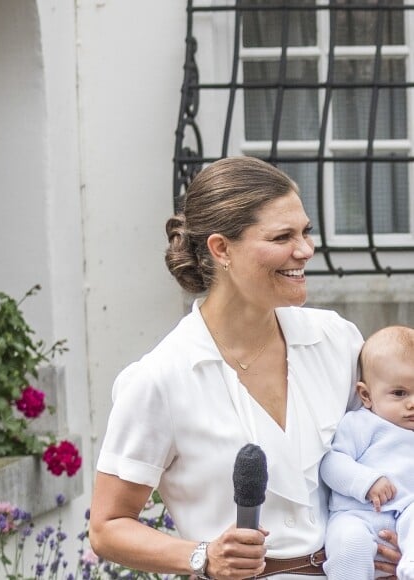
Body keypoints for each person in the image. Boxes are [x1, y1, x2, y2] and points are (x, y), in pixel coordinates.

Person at [89, 156, 400, 579]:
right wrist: (202, 556)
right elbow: (108, 527)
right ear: (221, 249)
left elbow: (390, 444)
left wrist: (396, 538)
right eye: (282, 236)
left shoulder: (336, 341)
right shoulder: (160, 379)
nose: (305, 250)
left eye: (306, 231)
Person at [320, 325, 414, 580]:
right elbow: (331, 463)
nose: (411, 403)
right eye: (399, 393)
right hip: (358, 514)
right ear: (366, 395)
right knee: (349, 544)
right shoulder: (362, 423)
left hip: (407, 515)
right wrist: (366, 481)